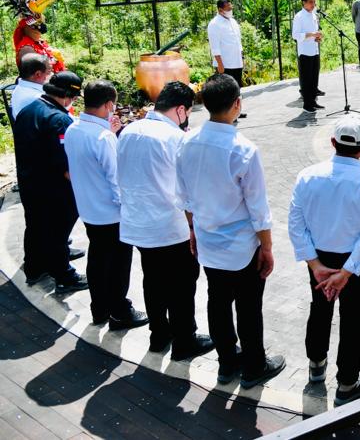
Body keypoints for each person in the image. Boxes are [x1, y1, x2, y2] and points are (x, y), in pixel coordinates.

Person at [176, 74, 284, 389]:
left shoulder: (187, 142)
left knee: (217, 301)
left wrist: (193, 229)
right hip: (242, 246)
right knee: (249, 307)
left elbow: (184, 196)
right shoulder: (243, 149)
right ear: (237, 104)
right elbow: (258, 208)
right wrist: (267, 247)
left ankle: (227, 363)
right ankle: (254, 365)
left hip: (208, 240)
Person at [289, 113, 360, 404]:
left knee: (319, 310)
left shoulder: (308, 176)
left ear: (332, 142)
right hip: (355, 265)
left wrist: (315, 265)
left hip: (320, 261)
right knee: (353, 321)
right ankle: (347, 383)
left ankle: (316, 366)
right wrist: (347, 272)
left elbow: (296, 223)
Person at [118, 81, 214, 359]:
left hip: (138, 223)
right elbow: (190, 187)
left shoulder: (129, 130)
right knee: (183, 284)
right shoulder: (175, 138)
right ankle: (185, 339)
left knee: (153, 280)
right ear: (181, 110)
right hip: (171, 227)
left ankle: (159, 335)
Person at [65, 80, 147, 330]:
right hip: (111, 213)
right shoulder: (102, 138)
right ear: (109, 104)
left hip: (89, 209)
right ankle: (120, 311)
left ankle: (99, 309)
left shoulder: (74, 129)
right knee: (118, 265)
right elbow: (116, 181)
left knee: (98, 260)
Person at [14, 71, 85, 291]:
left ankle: (35, 267)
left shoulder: (29, 110)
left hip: (30, 182)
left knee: (35, 227)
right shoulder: (59, 119)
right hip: (53, 189)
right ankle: (64, 275)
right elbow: (65, 166)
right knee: (57, 232)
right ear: (67, 96)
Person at [292, 0, 324, 113]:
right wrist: (312, 34)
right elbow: (295, 35)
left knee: (314, 78)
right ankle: (307, 104)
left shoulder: (314, 15)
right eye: (310, 2)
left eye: (314, 2)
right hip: (305, 52)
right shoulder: (299, 16)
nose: (313, 4)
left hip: (314, 50)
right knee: (306, 79)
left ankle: (313, 101)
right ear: (304, 3)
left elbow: (314, 32)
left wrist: (317, 37)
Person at [208, 0, 244, 86]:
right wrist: (220, 65)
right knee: (227, 90)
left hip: (237, 62)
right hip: (225, 64)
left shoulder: (233, 21)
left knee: (237, 87)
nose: (231, 10)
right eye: (228, 9)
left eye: (231, 8)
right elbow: (215, 46)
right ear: (220, 10)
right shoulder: (214, 24)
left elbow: (238, 42)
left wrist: (242, 58)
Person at [10, 52, 51, 120]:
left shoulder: (21, 88)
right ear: (38, 74)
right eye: (49, 70)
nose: (52, 73)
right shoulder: (36, 98)